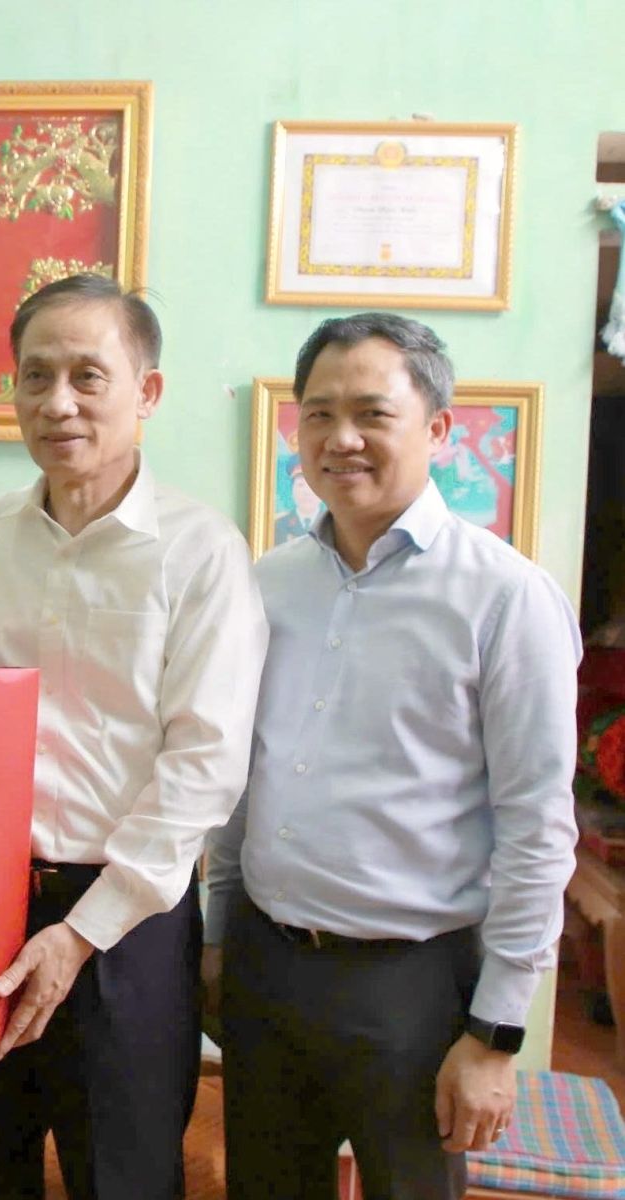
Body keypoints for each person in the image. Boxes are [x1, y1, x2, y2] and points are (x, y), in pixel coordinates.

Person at [203, 312, 581, 1200]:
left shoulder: (505, 598)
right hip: (265, 965)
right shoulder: (268, 583)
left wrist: (496, 1034)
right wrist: (217, 938)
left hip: (413, 988)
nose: (341, 438)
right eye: (319, 414)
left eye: (372, 413)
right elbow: (242, 781)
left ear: (438, 429)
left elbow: (536, 825)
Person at [0, 274, 268, 1199]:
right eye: (35, 377)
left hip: (128, 923)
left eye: (87, 376)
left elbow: (204, 769)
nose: (57, 402)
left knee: (124, 1177)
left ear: (146, 392)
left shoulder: (202, 551)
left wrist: (79, 936)